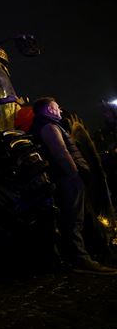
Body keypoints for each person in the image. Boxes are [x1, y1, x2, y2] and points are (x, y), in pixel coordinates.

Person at [29, 97, 117, 275]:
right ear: (48, 110)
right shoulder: (49, 127)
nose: (60, 109)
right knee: (73, 219)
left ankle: (81, 256)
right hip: (68, 179)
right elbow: (61, 153)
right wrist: (75, 174)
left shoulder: (50, 125)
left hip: (68, 178)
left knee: (75, 218)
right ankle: (80, 260)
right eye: (56, 107)